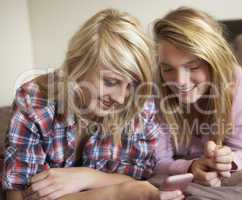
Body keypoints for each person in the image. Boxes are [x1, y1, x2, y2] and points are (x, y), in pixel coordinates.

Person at [2, 9, 183, 200]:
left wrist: (86, 178)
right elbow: (19, 195)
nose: (121, 99)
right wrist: (117, 192)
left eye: (131, 85)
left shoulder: (138, 103)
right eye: (111, 82)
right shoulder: (34, 101)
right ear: (77, 66)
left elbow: (140, 176)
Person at [153, 7, 242, 188]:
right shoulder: (155, 86)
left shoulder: (234, 78)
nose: (180, 82)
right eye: (168, 68)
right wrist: (191, 166)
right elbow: (154, 160)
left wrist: (226, 160)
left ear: (214, 63)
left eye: (192, 67)